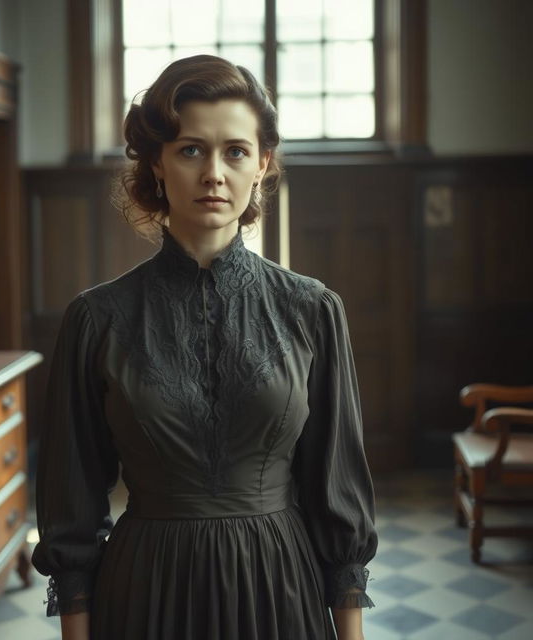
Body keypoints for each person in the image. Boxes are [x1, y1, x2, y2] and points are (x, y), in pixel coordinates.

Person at [31, 54, 378, 640]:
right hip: (146, 591)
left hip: (279, 588)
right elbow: (71, 502)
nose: (214, 173)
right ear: (159, 165)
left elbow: (336, 489)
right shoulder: (97, 319)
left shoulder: (312, 310)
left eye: (235, 151)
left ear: (262, 165)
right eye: (192, 149)